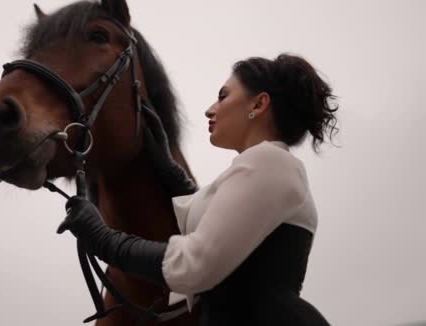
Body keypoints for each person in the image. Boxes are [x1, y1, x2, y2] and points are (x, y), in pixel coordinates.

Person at [57, 53, 338, 325]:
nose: (210, 109)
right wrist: (169, 170)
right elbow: (211, 219)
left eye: (223, 96)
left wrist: (103, 239)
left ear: (258, 104)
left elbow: (193, 264)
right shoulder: (265, 167)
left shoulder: (269, 161)